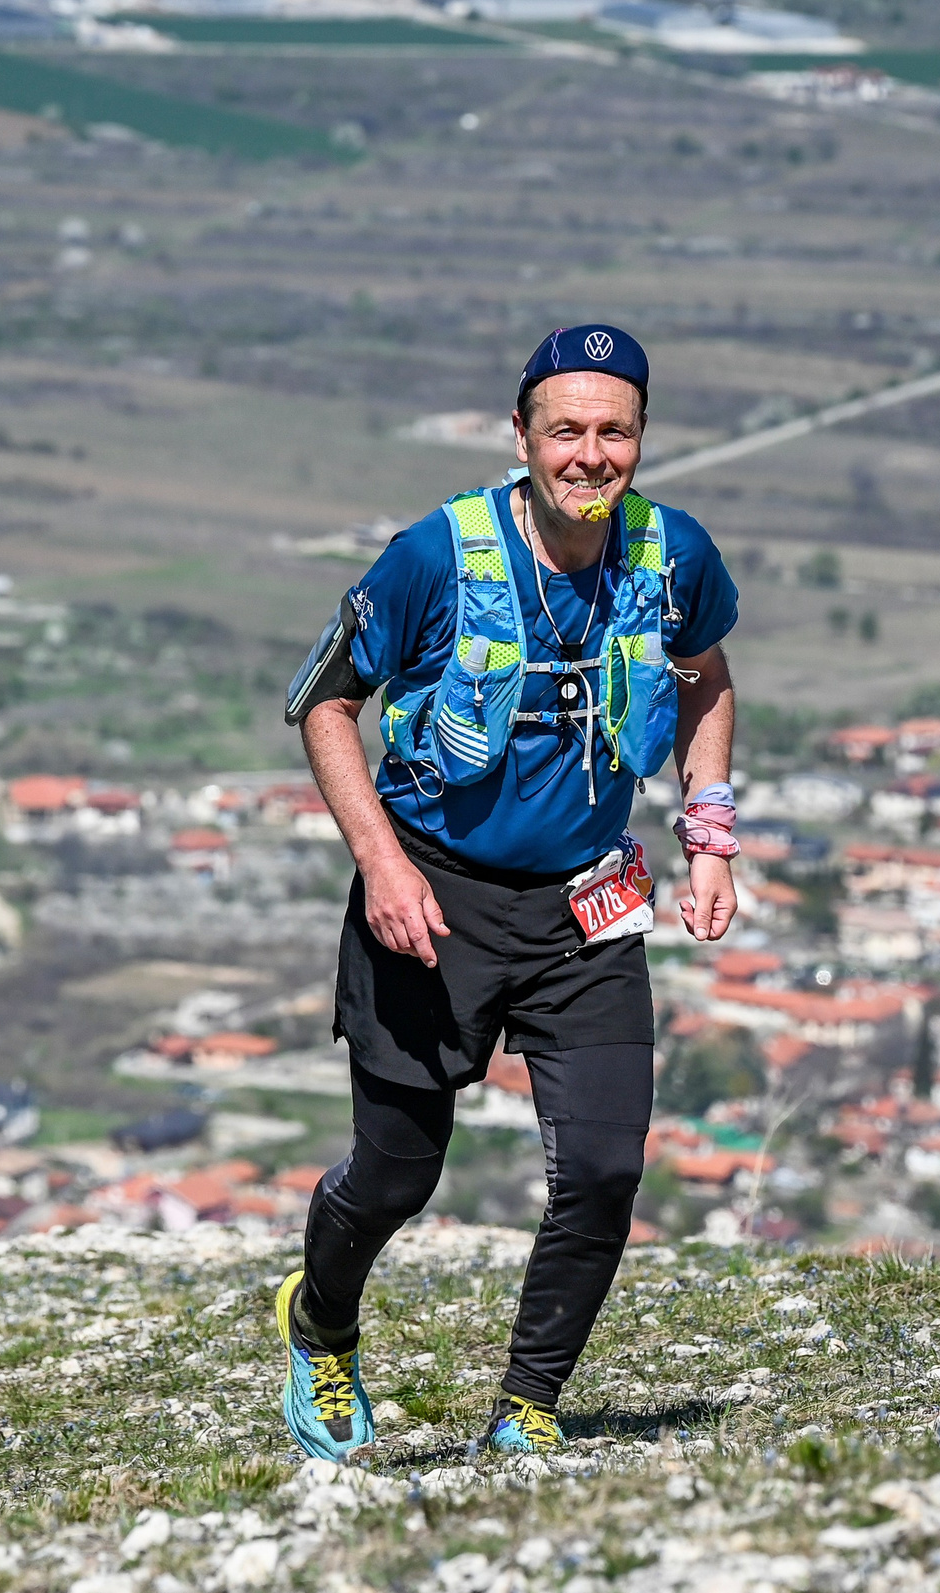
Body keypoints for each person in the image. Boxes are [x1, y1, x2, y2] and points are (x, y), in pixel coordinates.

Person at [277, 325, 741, 1459]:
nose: (590, 454)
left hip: (585, 909)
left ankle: (527, 1403)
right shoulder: (435, 556)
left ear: (641, 437)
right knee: (396, 1173)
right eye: (566, 430)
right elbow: (326, 704)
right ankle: (321, 1321)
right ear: (522, 436)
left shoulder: (670, 553)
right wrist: (380, 861)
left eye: (614, 431)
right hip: (430, 901)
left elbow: (706, 676)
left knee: (602, 1165)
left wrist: (710, 830)